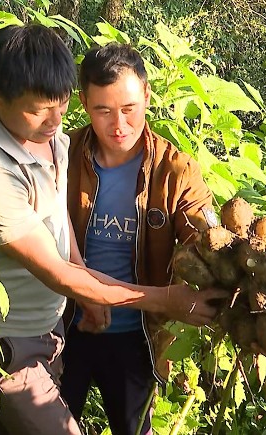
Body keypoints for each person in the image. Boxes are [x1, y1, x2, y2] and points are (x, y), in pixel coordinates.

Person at [0, 25, 224, 435]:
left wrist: (86, 287)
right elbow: (55, 272)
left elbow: (57, 221)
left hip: (62, 329)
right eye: (40, 110)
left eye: (60, 107)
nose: (55, 121)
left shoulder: (53, 138)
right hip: (2, 339)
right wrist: (165, 299)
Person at [59, 42, 215, 435]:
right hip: (62, 328)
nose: (119, 124)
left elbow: (207, 238)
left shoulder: (175, 171)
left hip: (137, 336)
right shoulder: (62, 155)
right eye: (103, 110)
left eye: (129, 108)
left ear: (147, 94)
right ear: (83, 103)